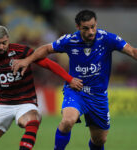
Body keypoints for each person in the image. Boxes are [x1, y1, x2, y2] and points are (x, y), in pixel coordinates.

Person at [12, 9, 137, 150]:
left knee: (99, 139)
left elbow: (132, 51)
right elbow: (46, 49)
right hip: (76, 91)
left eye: (93, 27)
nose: (91, 31)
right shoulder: (70, 40)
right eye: (86, 28)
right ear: (78, 27)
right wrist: (27, 60)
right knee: (67, 121)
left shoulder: (107, 39)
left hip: (98, 96)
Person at [0, 25, 83, 150]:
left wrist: (69, 79)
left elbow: (48, 64)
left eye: (4, 43)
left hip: (25, 102)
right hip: (3, 105)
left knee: (34, 118)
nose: (1, 47)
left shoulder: (20, 51)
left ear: (8, 40)